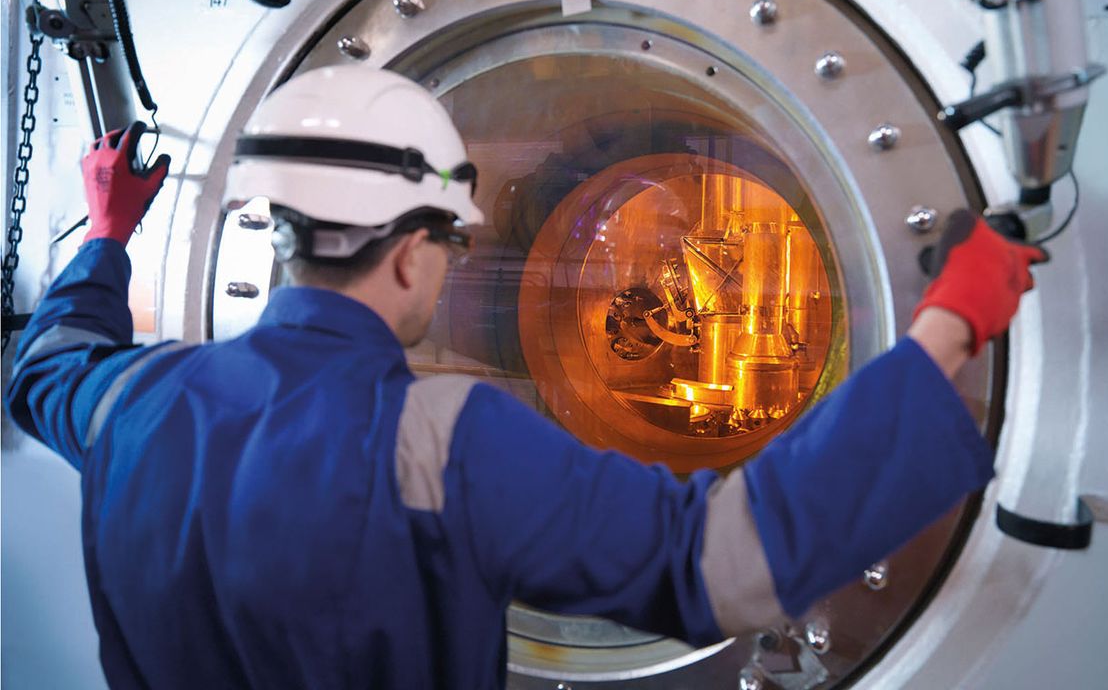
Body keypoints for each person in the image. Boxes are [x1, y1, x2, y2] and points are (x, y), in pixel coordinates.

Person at [5, 66, 1046, 689]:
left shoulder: (135, 401)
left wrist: (106, 235)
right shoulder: (437, 439)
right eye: (452, 246)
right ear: (411, 252)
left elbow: (40, 366)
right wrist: (948, 327)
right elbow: (719, 560)